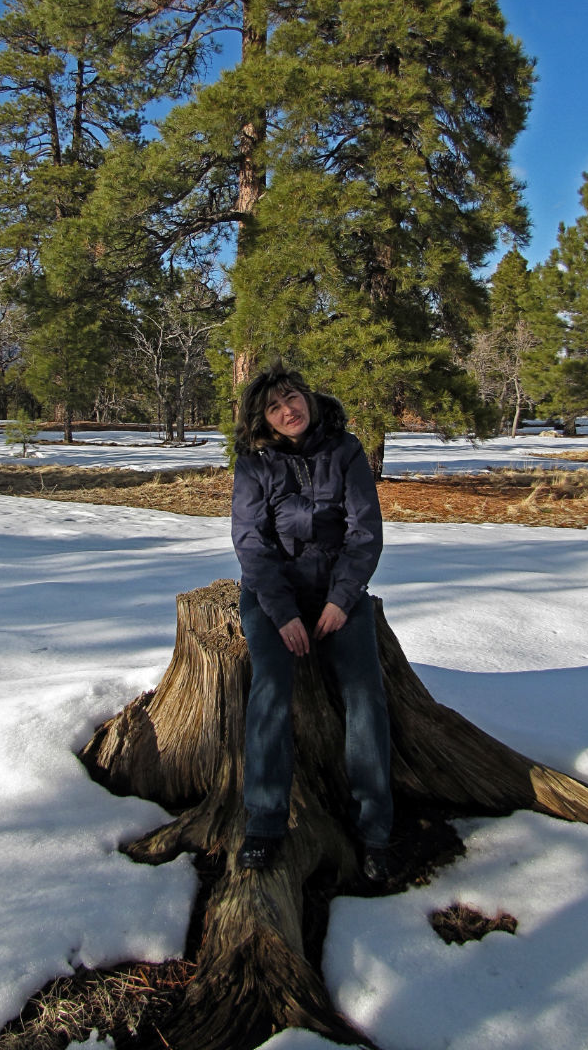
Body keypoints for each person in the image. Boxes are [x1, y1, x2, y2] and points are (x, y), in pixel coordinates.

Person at [230, 361, 394, 880]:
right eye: (275, 407)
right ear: (265, 419)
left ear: (308, 397)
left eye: (293, 398)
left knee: (365, 694)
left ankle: (375, 830)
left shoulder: (345, 451)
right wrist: (281, 613)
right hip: (272, 594)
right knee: (271, 689)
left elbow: (364, 532)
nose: (288, 410)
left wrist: (342, 600)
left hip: (337, 594)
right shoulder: (254, 464)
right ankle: (264, 820)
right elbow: (250, 543)